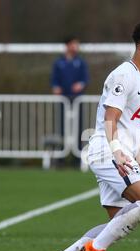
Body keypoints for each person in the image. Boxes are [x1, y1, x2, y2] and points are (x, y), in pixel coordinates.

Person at [45, 21, 140, 251]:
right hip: (108, 152)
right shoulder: (124, 74)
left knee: (117, 220)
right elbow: (110, 119)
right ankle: (95, 250)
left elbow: (129, 132)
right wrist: (116, 152)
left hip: (120, 153)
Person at [50, 36, 89, 166]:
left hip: (77, 100)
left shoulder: (81, 62)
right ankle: (61, 158)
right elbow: (54, 80)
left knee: (78, 127)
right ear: (67, 46)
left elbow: (85, 79)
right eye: (73, 44)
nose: (76, 47)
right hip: (63, 101)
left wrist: (81, 84)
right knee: (62, 127)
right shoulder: (59, 62)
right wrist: (56, 87)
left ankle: (76, 160)